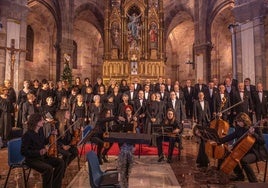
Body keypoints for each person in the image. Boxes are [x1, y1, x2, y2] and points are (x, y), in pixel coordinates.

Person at [219, 112, 268, 182]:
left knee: (244, 160)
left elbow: (262, 141)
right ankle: (240, 176)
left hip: (257, 152)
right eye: (237, 122)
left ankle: (254, 181)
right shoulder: (239, 128)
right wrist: (219, 141)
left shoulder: (255, 128)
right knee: (232, 155)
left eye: (239, 122)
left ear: (244, 121)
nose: (238, 123)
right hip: (246, 150)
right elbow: (230, 136)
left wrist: (253, 134)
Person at [21, 113, 65, 188]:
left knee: (60, 162)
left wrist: (51, 134)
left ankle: (55, 186)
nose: (43, 122)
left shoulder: (40, 131)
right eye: (41, 120)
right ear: (36, 122)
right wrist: (39, 152)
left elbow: (44, 141)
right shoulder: (27, 135)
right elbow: (24, 152)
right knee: (48, 169)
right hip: (32, 160)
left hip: (42, 157)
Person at [117, 105, 137, 188]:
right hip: (125, 137)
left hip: (132, 137)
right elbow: (121, 127)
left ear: (131, 111)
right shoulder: (123, 118)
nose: (128, 112)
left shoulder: (134, 118)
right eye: (127, 111)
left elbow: (136, 127)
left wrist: (135, 121)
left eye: (129, 111)